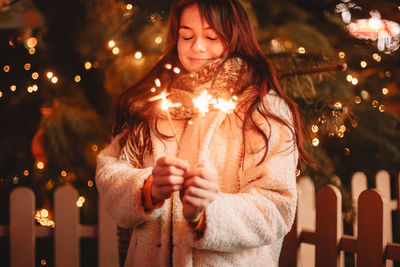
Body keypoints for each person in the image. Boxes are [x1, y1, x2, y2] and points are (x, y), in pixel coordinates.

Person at [96, 0, 311, 266]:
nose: (197, 46)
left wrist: (208, 212)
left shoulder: (261, 110)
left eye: (211, 36)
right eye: (187, 35)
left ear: (235, 39)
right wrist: (147, 188)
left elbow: (276, 208)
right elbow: (110, 171)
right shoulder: (152, 105)